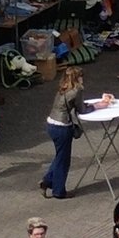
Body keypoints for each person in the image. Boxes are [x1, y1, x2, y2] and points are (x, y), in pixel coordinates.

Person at [40, 66, 85, 200]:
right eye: (81, 76)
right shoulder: (77, 90)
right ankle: (59, 191)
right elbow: (81, 109)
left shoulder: (63, 87)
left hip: (51, 124)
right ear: (77, 78)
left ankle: (48, 181)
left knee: (60, 157)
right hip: (62, 127)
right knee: (64, 161)